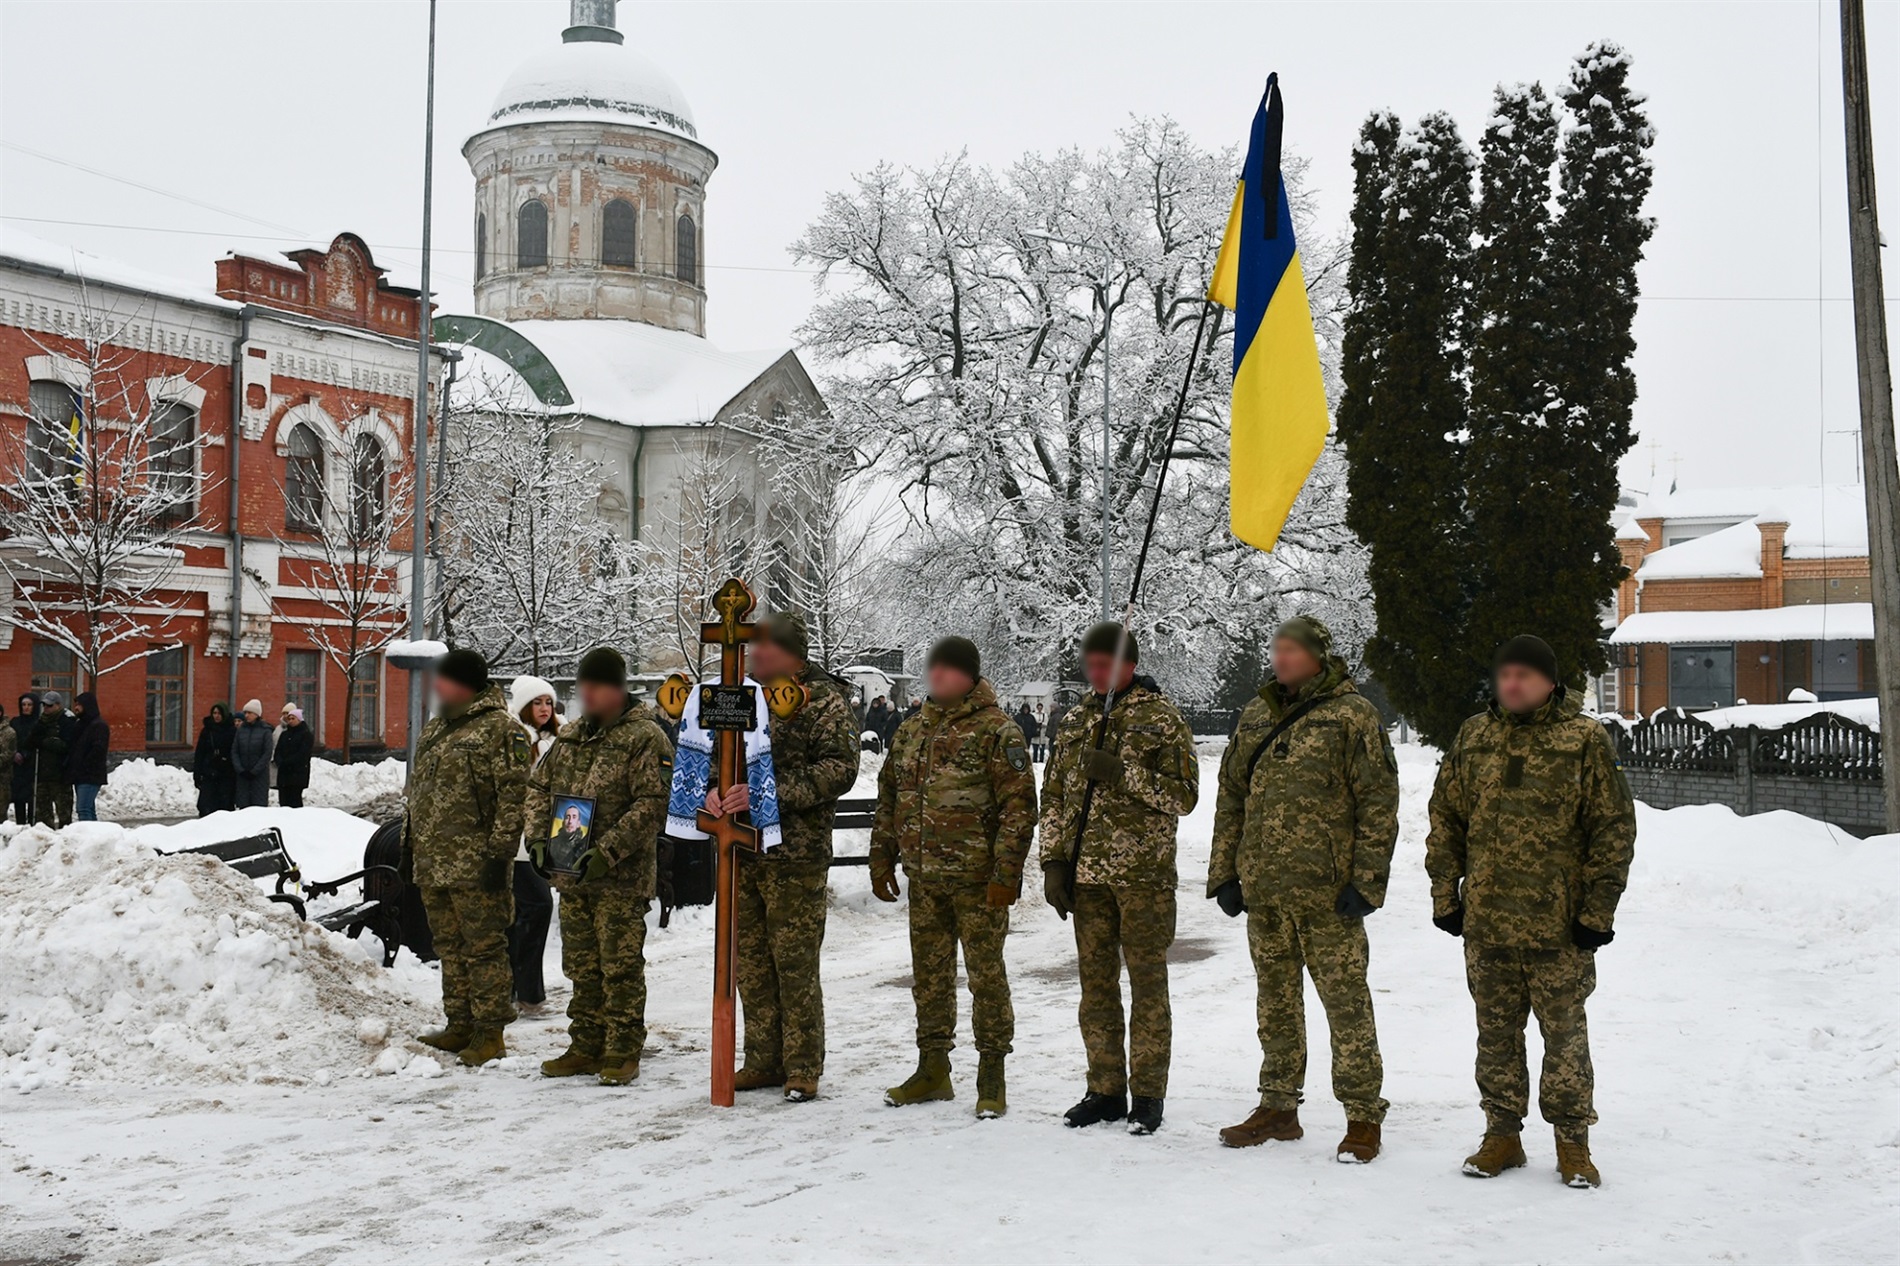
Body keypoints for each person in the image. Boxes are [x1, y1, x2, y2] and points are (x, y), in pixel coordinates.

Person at [1426, 634, 1636, 1189]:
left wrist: (1597, 912)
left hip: (1559, 927)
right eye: (1505, 675)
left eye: (1523, 675)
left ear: (1548, 681)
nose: (1511, 684)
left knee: (1564, 1036)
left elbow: (1612, 830)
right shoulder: (1475, 735)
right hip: (1488, 922)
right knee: (1494, 1035)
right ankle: (1502, 1135)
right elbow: (1445, 819)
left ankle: (1573, 1142)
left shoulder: (1584, 740)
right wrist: (1446, 895)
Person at [1207, 615, 1401, 1161]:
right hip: (1266, 892)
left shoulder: (1353, 716)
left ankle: (1363, 1114)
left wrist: (1367, 882)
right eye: (1276, 648)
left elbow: (1379, 803)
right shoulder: (1255, 714)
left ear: (1318, 655)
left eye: (1292, 649)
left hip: (1328, 893)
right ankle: (1278, 1107)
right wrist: (1225, 872)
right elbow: (1231, 798)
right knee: (1276, 1005)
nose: (1280, 658)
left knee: (1346, 1005)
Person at [1038, 622, 1198, 1136]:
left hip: (1143, 878)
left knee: (1148, 985)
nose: (1097, 671)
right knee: (1096, 986)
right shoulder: (1078, 719)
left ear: (1129, 664)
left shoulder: (1161, 718)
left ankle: (1148, 1094)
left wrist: (1122, 772)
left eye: (1106, 663)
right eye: (1091, 663)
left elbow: (1185, 796)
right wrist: (1053, 862)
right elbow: (1056, 796)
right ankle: (1105, 1089)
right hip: (1087, 878)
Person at [871, 636, 1036, 1117]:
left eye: (945, 669)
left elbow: (1019, 810)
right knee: (929, 977)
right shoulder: (911, 730)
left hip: (978, 881)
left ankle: (991, 1072)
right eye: (932, 668)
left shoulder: (997, 732)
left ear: (967, 675)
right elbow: (890, 797)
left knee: (986, 977)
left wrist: (1006, 872)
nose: (935, 675)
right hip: (925, 878)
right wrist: (881, 856)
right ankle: (933, 1068)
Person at [709, 612, 860, 1103]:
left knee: (793, 964)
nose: (752, 653)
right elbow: (716, 753)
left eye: (763, 646)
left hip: (795, 854)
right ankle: (762, 1060)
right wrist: (712, 790)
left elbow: (839, 769)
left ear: (791, 652)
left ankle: (802, 1066)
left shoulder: (822, 700)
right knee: (751, 964)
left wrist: (766, 794)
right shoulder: (743, 697)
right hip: (743, 851)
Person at [526, 649, 673, 1086]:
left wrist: (606, 852)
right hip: (571, 875)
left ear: (617, 689)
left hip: (620, 878)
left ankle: (624, 1049)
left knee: (619, 965)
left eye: (595, 686)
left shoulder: (646, 737)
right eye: (582, 686)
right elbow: (538, 787)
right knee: (582, 965)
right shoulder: (570, 737)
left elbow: (652, 805)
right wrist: (536, 837)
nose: (585, 694)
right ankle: (586, 1044)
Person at [407, 648, 531, 1067]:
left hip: (477, 863)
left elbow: (514, 798)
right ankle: (459, 1022)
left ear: (466, 685)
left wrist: (500, 856)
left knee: (484, 948)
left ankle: (490, 1032)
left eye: (445, 679)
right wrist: (411, 844)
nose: (437, 685)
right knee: (449, 946)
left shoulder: (502, 730)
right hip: (434, 860)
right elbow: (420, 792)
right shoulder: (438, 728)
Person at [507, 674, 561, 1008]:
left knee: (527, 912)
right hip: (519, 841)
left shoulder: (557, 737)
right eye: (537, 702)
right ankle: (524, 989)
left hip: (546, 836)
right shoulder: (517, 738)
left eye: (548, 702)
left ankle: (524, 988)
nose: (544, 708)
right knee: (537, 906)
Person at [64, 692, 110, 822]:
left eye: (79, 704)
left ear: (88, 706)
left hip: (90, 774)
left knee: (83, 808)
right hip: (80, 774)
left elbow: (98, 750)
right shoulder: (80, 724)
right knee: (88, 808)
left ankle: (87, 837)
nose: (76, 708)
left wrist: (84, 765)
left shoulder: (98, 725)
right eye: (76, 704)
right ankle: (94, 836)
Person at [33, 692, 74, 829]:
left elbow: (69, 746)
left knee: (64, 815)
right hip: (43, 774)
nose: (46, 708)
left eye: (49, 705)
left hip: (60, 775)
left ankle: (64, 841)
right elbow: (32, 741)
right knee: (42, 815)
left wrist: (50, 742)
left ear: (58, 705)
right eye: (44, 705)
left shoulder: (66, 721)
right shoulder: (42, 721)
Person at [192, 703, 237, 816]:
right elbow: (200, 753)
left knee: (224, 807)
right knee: (206, 806)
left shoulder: (232, 731)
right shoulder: (207, 730)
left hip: (226, 774)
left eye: (219, 713)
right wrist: (197, 773)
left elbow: (234, 752)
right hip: (209, 772)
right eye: (214, 713)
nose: (216, 716)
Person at [230, 700, 273, 808]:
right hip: (243, 776)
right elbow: (235, 751)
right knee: (243, 806)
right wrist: (240, 769)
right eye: (245, 713)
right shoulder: (241, 731)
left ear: (257, 714)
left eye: (249, 713)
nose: (246, 715)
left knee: (258, 807)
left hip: (259, 777)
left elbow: (267, 753)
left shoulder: (265, 731)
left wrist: (255, 771)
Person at [273, 706, 315, 808]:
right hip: (284, 774)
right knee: (283, 801)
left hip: (297, 774)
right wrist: (279, 761)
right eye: (289, 719)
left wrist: (288, 762)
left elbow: (303, 754)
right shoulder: (284, 734)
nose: (290, 721)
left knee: (295, 800)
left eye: (293, 718)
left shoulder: (306, 735)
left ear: (299, 719)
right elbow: (278, 751)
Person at [9, 693, 39, 825]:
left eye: (29, 705)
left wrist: (28, 753)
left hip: (33, 766)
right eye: (23, 705)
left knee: (32, 798)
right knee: (18, 799)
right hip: (17, 767)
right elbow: (9, 741)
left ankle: (32, 826)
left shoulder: (39, 723)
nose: (26, 708)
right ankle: (20, 825)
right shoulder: (15, 722)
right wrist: (14, 753)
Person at [1013, 700, 1041, 764]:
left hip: (1028, 735)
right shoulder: (1018, 717)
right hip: (1020, 735)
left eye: (1027, 709)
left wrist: (1033, 732)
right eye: (1024, 709)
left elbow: (1034, 725)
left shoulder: (1031, 717)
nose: (1026, 711)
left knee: (1026, 748)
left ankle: (1025, 759)